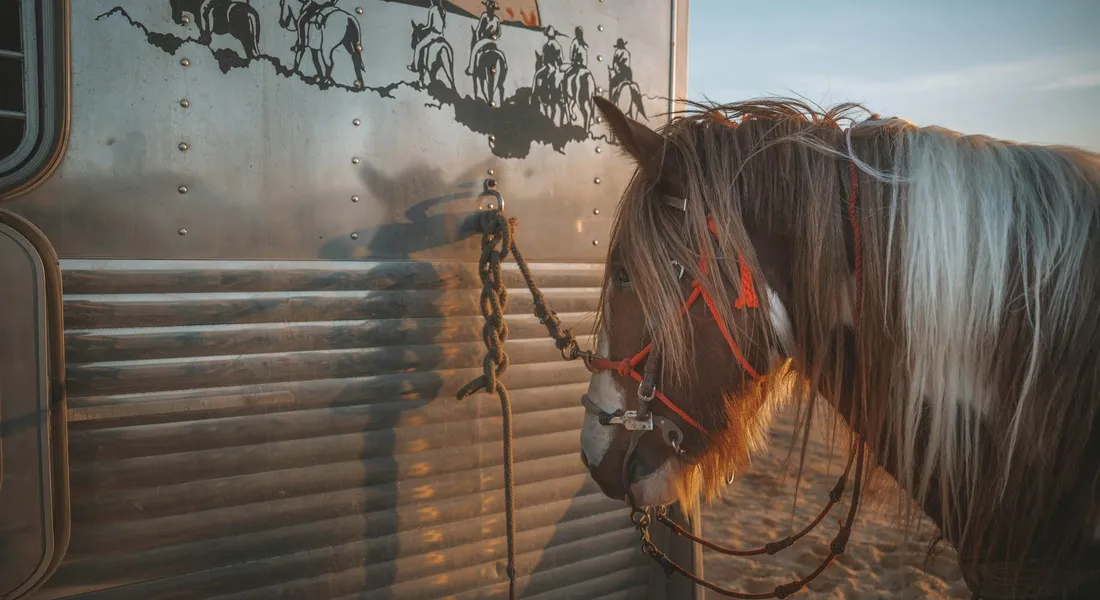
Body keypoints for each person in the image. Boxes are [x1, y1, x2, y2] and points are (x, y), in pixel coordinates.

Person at [465, 0, 502, 76]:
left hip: (490, 40)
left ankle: (471, 69)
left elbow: (499, 32)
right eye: (489, 8)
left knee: (475, 50)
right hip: (486, 40)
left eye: (491, 8)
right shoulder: (485, 16)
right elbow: (479, 30)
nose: (489, 10)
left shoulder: (495, 19)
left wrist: (494, 37)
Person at [408, 0, 447, 72]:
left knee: (418, 46)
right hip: (441, 35)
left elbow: (429, 25)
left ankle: (415, 67)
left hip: (434, 35)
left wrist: (421, 29)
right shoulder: (443, 11)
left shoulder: (432, 9)